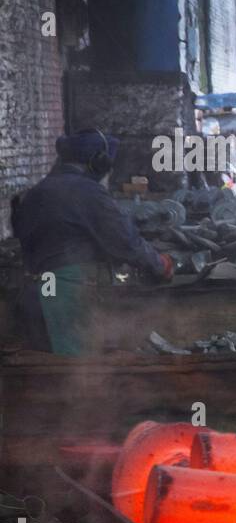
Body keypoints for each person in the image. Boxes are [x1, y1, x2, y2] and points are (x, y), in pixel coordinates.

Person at [12, 129, 174, 355]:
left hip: (45, 284)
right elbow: (125, 242)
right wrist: (159, 264)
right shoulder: (89, 193)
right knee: (77, 364)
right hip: (70, 285)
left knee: (54, 354)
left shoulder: (35, 193)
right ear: (99, 162)